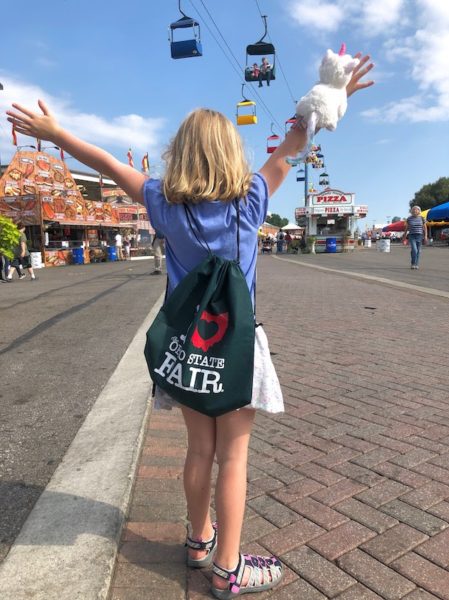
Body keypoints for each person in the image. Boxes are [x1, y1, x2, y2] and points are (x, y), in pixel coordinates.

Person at [6, 55, 372, 598]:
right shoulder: (251, 200)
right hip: (238, 346)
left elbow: (107, 165)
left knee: (198, 450)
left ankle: (199, 541)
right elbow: (295, 141)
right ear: (231, 153)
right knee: (235, 457)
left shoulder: (162, 203)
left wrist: (57, 133)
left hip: (190, 350)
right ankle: (229, 568)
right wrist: (329, 93)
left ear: (182, 152)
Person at [403, 205, 427, 269]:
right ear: (411, 211)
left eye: (416, 209)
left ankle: (416, 264)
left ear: (419, 211)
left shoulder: (422, 218)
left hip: (420, 235)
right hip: (412, 236)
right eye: (413, 209)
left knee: (418, 251)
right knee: (415, 250)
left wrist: (426, 236)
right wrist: (404, 236)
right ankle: (413, 263)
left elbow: (425, 228)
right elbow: (407, 228)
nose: (415, 210)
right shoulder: (409, 218)